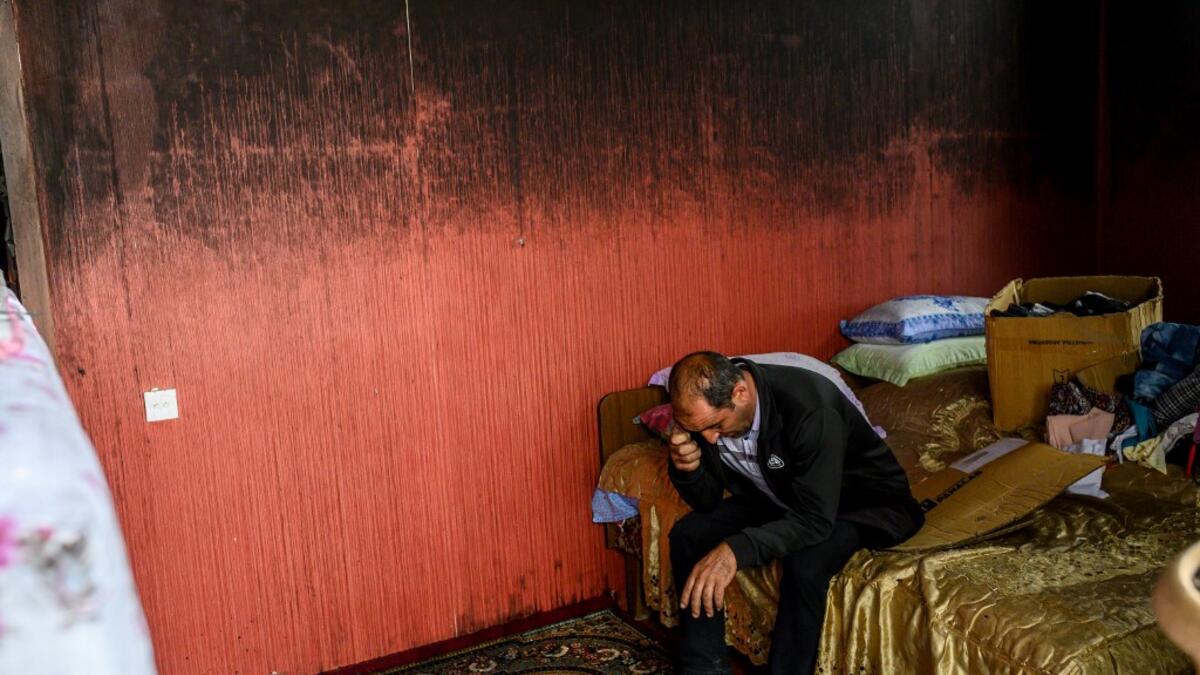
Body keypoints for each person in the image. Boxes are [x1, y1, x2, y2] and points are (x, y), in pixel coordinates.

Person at [665, 351, 924, 674]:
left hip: (863, 505)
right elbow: (707, 502)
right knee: (689, 535)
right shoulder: (709, 417)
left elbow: (815, 520)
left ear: (740, 392)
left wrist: (735, 550)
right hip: (780, 493)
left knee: (806, 563)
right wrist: (686, 469)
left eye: (716, 426)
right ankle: (703, 668)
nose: (709, 439)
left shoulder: (809, 407)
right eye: (699, 430)